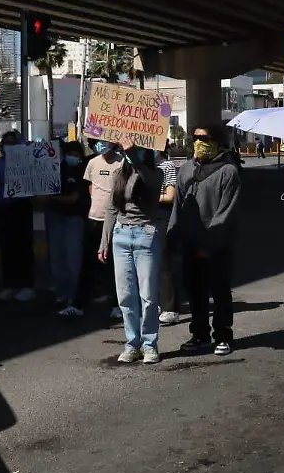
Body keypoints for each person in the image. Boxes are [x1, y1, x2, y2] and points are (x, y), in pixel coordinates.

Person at [169, 125, 242, 355]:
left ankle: (223, 336)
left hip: (216, 245)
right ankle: (199, 334)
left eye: (205, 138)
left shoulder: (228, 172)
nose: (200, 142)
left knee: (219, 291)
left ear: (218, 143)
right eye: (196, 138)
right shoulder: (186, 169)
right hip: (191, 244)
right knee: (195, 292)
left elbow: (226, 211)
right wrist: (172, 235)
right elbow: (178, 206)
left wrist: (210, 243)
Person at [100, 145, 165, 364]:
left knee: (148, 296)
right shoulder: (119, 174)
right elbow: (111, 208)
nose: (128, 153)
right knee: (126, 296)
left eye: (136, 150)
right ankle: (132, 343)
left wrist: (133, 156)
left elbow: (150, 183)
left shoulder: (155, 173)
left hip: (146, 234)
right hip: (121, 236)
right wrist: (104, 242)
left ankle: (150, 344)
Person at [0, 131, 37, 303]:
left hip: (20, 207)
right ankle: (9, 284)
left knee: (23, 247)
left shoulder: (25, 162)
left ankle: (27, 286)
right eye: (5, 144)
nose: (8, 147)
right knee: (6, 247)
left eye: (12, 143)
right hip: (2, 208)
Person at [44, 140, 91, 316]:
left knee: (73, 259)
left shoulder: (80, 170)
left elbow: (73, 198)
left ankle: (74, 297)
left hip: (73, 218)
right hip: (55, 216)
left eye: (74, 154)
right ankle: (61, 293)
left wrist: (50, 199)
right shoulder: (53, 169)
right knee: (57, 257)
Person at [80, 140, 124, 317]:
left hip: (114, 220)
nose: (101, 144)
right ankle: (79, 304)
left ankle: (116, 304)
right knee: (88, 262)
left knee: (113, 265)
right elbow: (91, 187)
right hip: (94, 219)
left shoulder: (121, 162)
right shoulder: (92, 163)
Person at [156, 143, 181, 325]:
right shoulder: (142, 165)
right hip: (145, 216)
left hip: (161, 216)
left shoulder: (167, 166)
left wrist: (150, 197)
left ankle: (170, 308)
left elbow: (170, 195)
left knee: (163, 262)